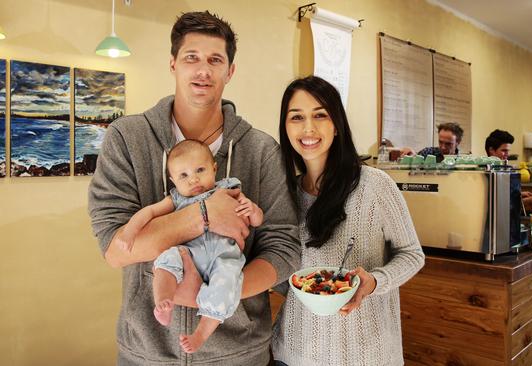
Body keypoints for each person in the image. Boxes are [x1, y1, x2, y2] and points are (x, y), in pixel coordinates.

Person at [88, 11, 301, 365]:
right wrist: (202, 215)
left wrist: (212, 296)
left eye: (215, 60)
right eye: (192, 58)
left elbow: (284, 250)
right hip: (146, 354)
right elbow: (115, 248)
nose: (203, 70)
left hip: (239, 353)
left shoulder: (262, 150)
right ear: (173, 64)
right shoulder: (126, 138)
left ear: (230, 71)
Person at [271, 76, 425, 366]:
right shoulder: (283, 194)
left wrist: (374, 282)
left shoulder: (375, 185)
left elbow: (412, 255)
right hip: (295, 353)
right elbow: (284, 280)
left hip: (367, 354)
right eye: (296, 117)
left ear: (337, 124)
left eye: (320, 115)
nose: (308, 128)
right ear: (285, 127)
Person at [114, 139, 263, 354]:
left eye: (200, 170)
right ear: (173, 180)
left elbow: (257, 221)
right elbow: (149, 213)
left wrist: (252, 210)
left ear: (214, 168)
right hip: (190, 254)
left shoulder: (229, 189)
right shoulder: (176, 199)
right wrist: (129, 232)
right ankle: (163, 300)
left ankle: (201, 333)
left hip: (224, 257)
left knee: (227, 282)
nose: (193, 179)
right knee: (168, 258)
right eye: (183, 175)